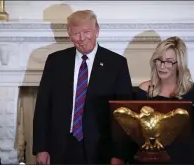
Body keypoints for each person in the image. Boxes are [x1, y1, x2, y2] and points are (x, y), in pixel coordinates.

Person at [32, 10, 133, 164]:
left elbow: (124, 115)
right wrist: (41, 148)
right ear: (69, 35)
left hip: (101, 150)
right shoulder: (55, 62)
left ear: (97, 31)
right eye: (76, 33)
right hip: (60, 147)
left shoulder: (116, 64)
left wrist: (119, 154)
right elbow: (42, 107)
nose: (82, 38)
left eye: (86, 32)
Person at [116, 36, 194, 164]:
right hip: (149, 154)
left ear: (179, 65)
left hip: (183, 155)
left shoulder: (193, 90)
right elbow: (134, 132)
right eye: (159, 60)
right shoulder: (144, 89)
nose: (162, 66)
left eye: (169, 61)